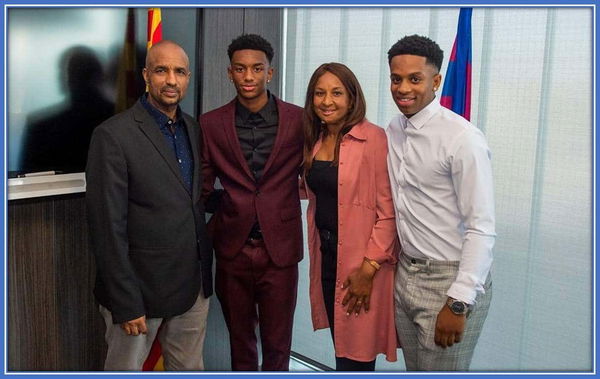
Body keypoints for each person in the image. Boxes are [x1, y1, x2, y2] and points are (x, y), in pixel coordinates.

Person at [86, 40, 213, 371]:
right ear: (146, 75)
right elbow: (106, 226)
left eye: (180, 72)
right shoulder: (113, 136)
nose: (171, 80)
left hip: (191, 288)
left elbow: (188, 201)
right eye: (162, 70)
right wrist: (125, 302)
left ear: (187, 78)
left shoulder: (193, 128)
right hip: (138, 292)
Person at [385, 34, 495, 371]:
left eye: (415, 79)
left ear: (436, 81)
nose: (403, 88)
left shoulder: (462, 138)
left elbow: (482, 227)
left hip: (448, 280)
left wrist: (459, 300)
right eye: (396, 78)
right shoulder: (393, 129)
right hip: (406, 274)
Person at [199, 34, 303, 371]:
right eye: (240, 69)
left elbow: (317, 170)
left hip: (281, 249)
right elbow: (200, 185)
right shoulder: (211, 123)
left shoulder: (299, 120)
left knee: (278, 344)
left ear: (269, 74)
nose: (248, 76)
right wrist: (227, 204)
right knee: (240, 342)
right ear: (229, 73)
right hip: (233, 249)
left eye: (256, 69)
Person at [302, 62, 398, 371]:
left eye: (336, 93)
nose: (326, 101)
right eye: (319, 93)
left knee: (356, 358)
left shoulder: (375, 140)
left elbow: (389, 215)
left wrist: (367, 270)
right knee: (342, 348)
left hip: (361, 266)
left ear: (352, 97)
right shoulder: (316, 140)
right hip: (327, 258)